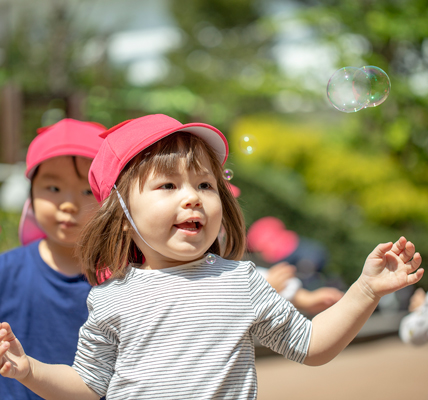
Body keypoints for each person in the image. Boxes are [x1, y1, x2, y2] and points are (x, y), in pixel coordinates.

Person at [0, 113, 424, 400]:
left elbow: (311, 345)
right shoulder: (109, 297)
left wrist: (365, 289)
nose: (192, 198)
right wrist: (29, 370)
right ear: (123, 215)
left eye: (205, 185)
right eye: (168, 186)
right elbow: (90, 386)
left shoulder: (241, 282)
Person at [0, 118, 105, 400]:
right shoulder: (6, 271)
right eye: (53, 189)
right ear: (30, 195)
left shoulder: (124, 278)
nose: (68, 204)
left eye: (86, 191)